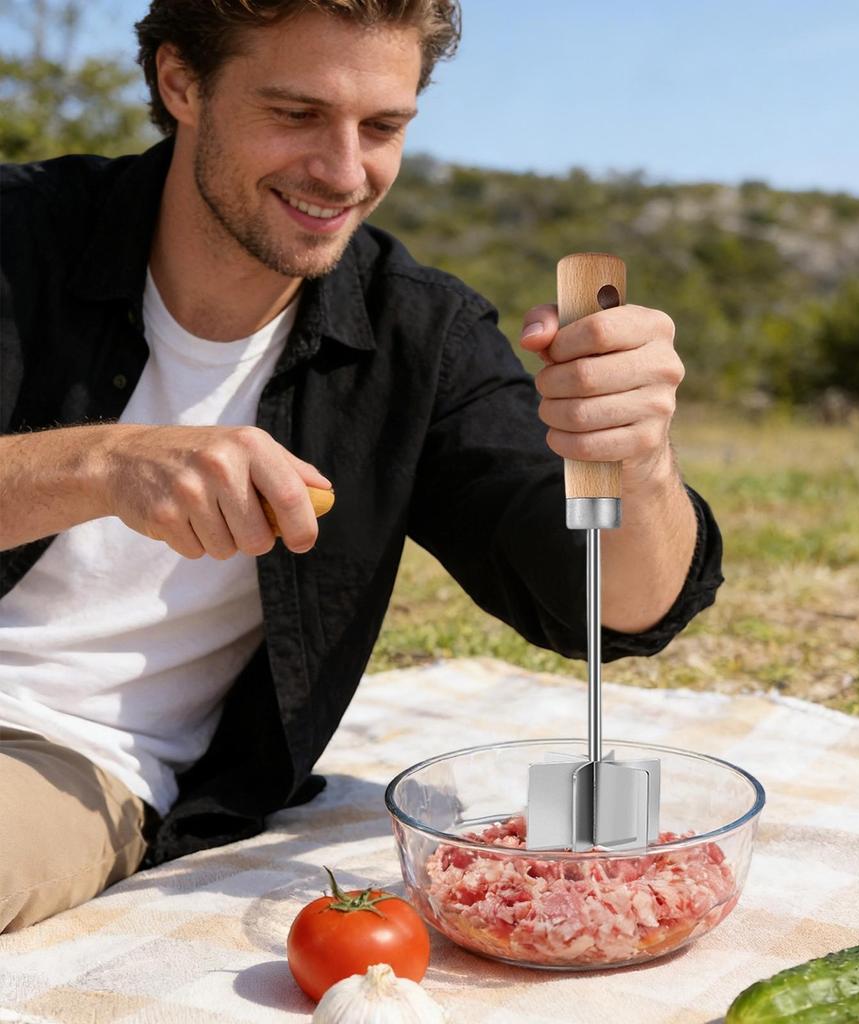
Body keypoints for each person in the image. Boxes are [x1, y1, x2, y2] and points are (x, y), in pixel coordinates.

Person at [0, 0, 724, 933]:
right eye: (296, 114)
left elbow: (612, 607)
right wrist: (102, 462)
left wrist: (642, 458)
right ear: (182, 83)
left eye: (383, 126)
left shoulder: (420, 338)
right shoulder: (19, 238)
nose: (345, 173)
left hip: (57, 758)